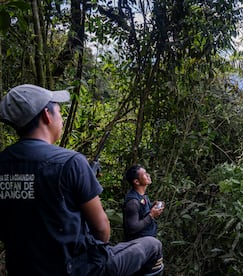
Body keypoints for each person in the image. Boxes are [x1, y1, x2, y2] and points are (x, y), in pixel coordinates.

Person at [0, 84, 163, 275]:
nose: (61, 119)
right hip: (76, 268)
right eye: (59, 113)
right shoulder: (71, 162)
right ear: (46, 115)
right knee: (153, 245)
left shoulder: (3, 162)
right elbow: (102, 229)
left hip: (23, 267)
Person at [123, 165, 164, 241]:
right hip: (139, 245)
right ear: (137, 182)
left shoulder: (142, 195)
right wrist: (152, 215)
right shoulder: (133, 202)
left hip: (148, 241)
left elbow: (142, 213)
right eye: (145, 174)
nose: (148, 175)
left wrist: (153, 206)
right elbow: (132, 228)